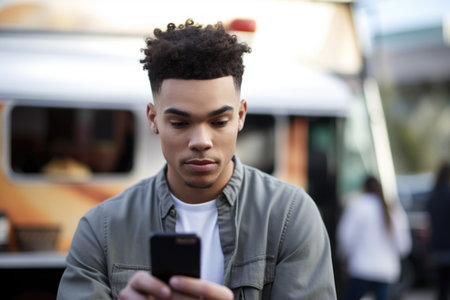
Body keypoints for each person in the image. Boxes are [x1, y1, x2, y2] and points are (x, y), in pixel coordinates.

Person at [57, 19, 336, 299]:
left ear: (240, 116)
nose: (201, 141)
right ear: (153, 119)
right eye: (180, 123)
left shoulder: (290, 216)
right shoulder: (101, 229)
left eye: (219, 121)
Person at [337, 176, 411, 300]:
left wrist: (343, 256)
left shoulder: (357, 205)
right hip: (385, 271)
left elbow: (345, 236)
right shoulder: (393, 208)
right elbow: (404, 245)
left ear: (364, 188)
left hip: (361, 269)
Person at [427, 162, 450, 300]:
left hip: (437, 247)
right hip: (448, 245)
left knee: (441, 287)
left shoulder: (432, 196)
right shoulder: (448, 195)